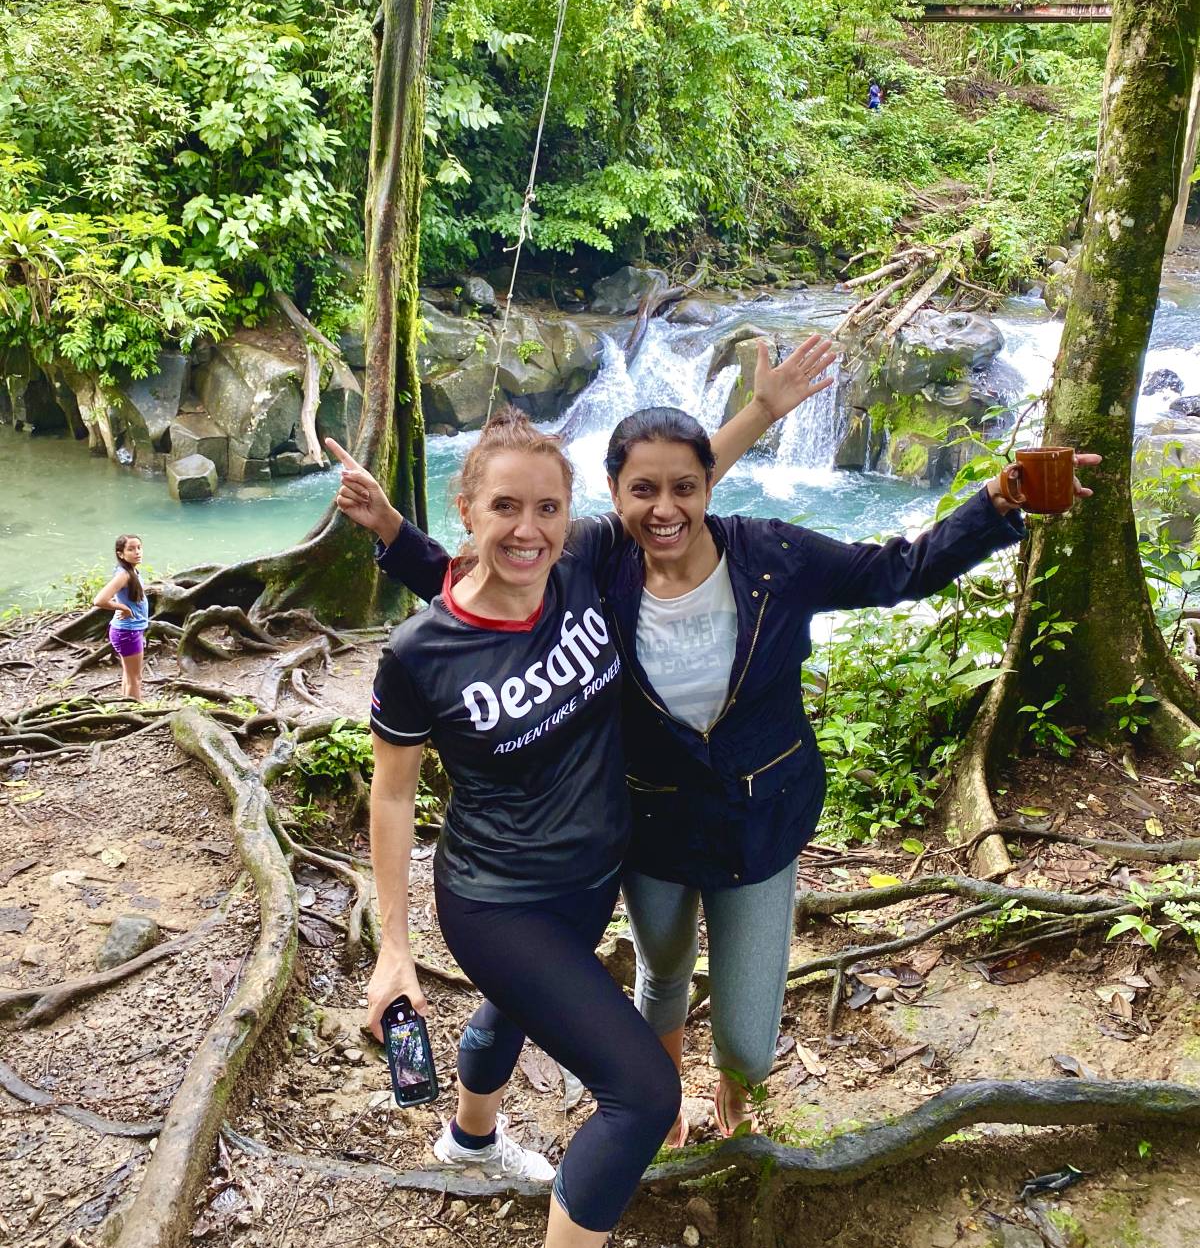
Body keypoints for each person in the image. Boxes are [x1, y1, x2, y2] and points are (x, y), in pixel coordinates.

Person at [343, 401, 1100, 1144]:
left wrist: (994, 503)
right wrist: (390, 532)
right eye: (643, 491)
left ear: (712, 486)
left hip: (759, 819)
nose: (665, 508)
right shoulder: (596, 562)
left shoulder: (772, 555)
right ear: (614, 497)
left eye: (686, 488)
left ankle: (736, 1082)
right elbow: (486, 585)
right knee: (662, 973)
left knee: (746, 1035)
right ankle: (660, 1104)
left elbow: (892, 571)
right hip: (651, 828)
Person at [339, 340, 837, 1248]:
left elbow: (673, 492)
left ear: (572, 517)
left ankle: (471, 1141)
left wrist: (762, 411)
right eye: (504, 508)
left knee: (517, 1012)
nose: (528, 528)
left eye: (547, 508)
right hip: (497, 899)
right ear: (467, 512)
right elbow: (394, 798)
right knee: (643, 1095)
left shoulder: (584, 568)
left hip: (591, 879)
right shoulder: (420, 653)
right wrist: (395, 948)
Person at [93, 534, 148, 701]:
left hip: (129, 630)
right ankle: (136, 713)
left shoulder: (129, 571)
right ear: (120, 554)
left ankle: (126, 707)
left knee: (129, 676)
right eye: (131, 549)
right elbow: (99, 600)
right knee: (135, 679)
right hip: (127, 632)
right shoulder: (124, 575)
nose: (137, 552)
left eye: (139, 547)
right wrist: (122, 607)